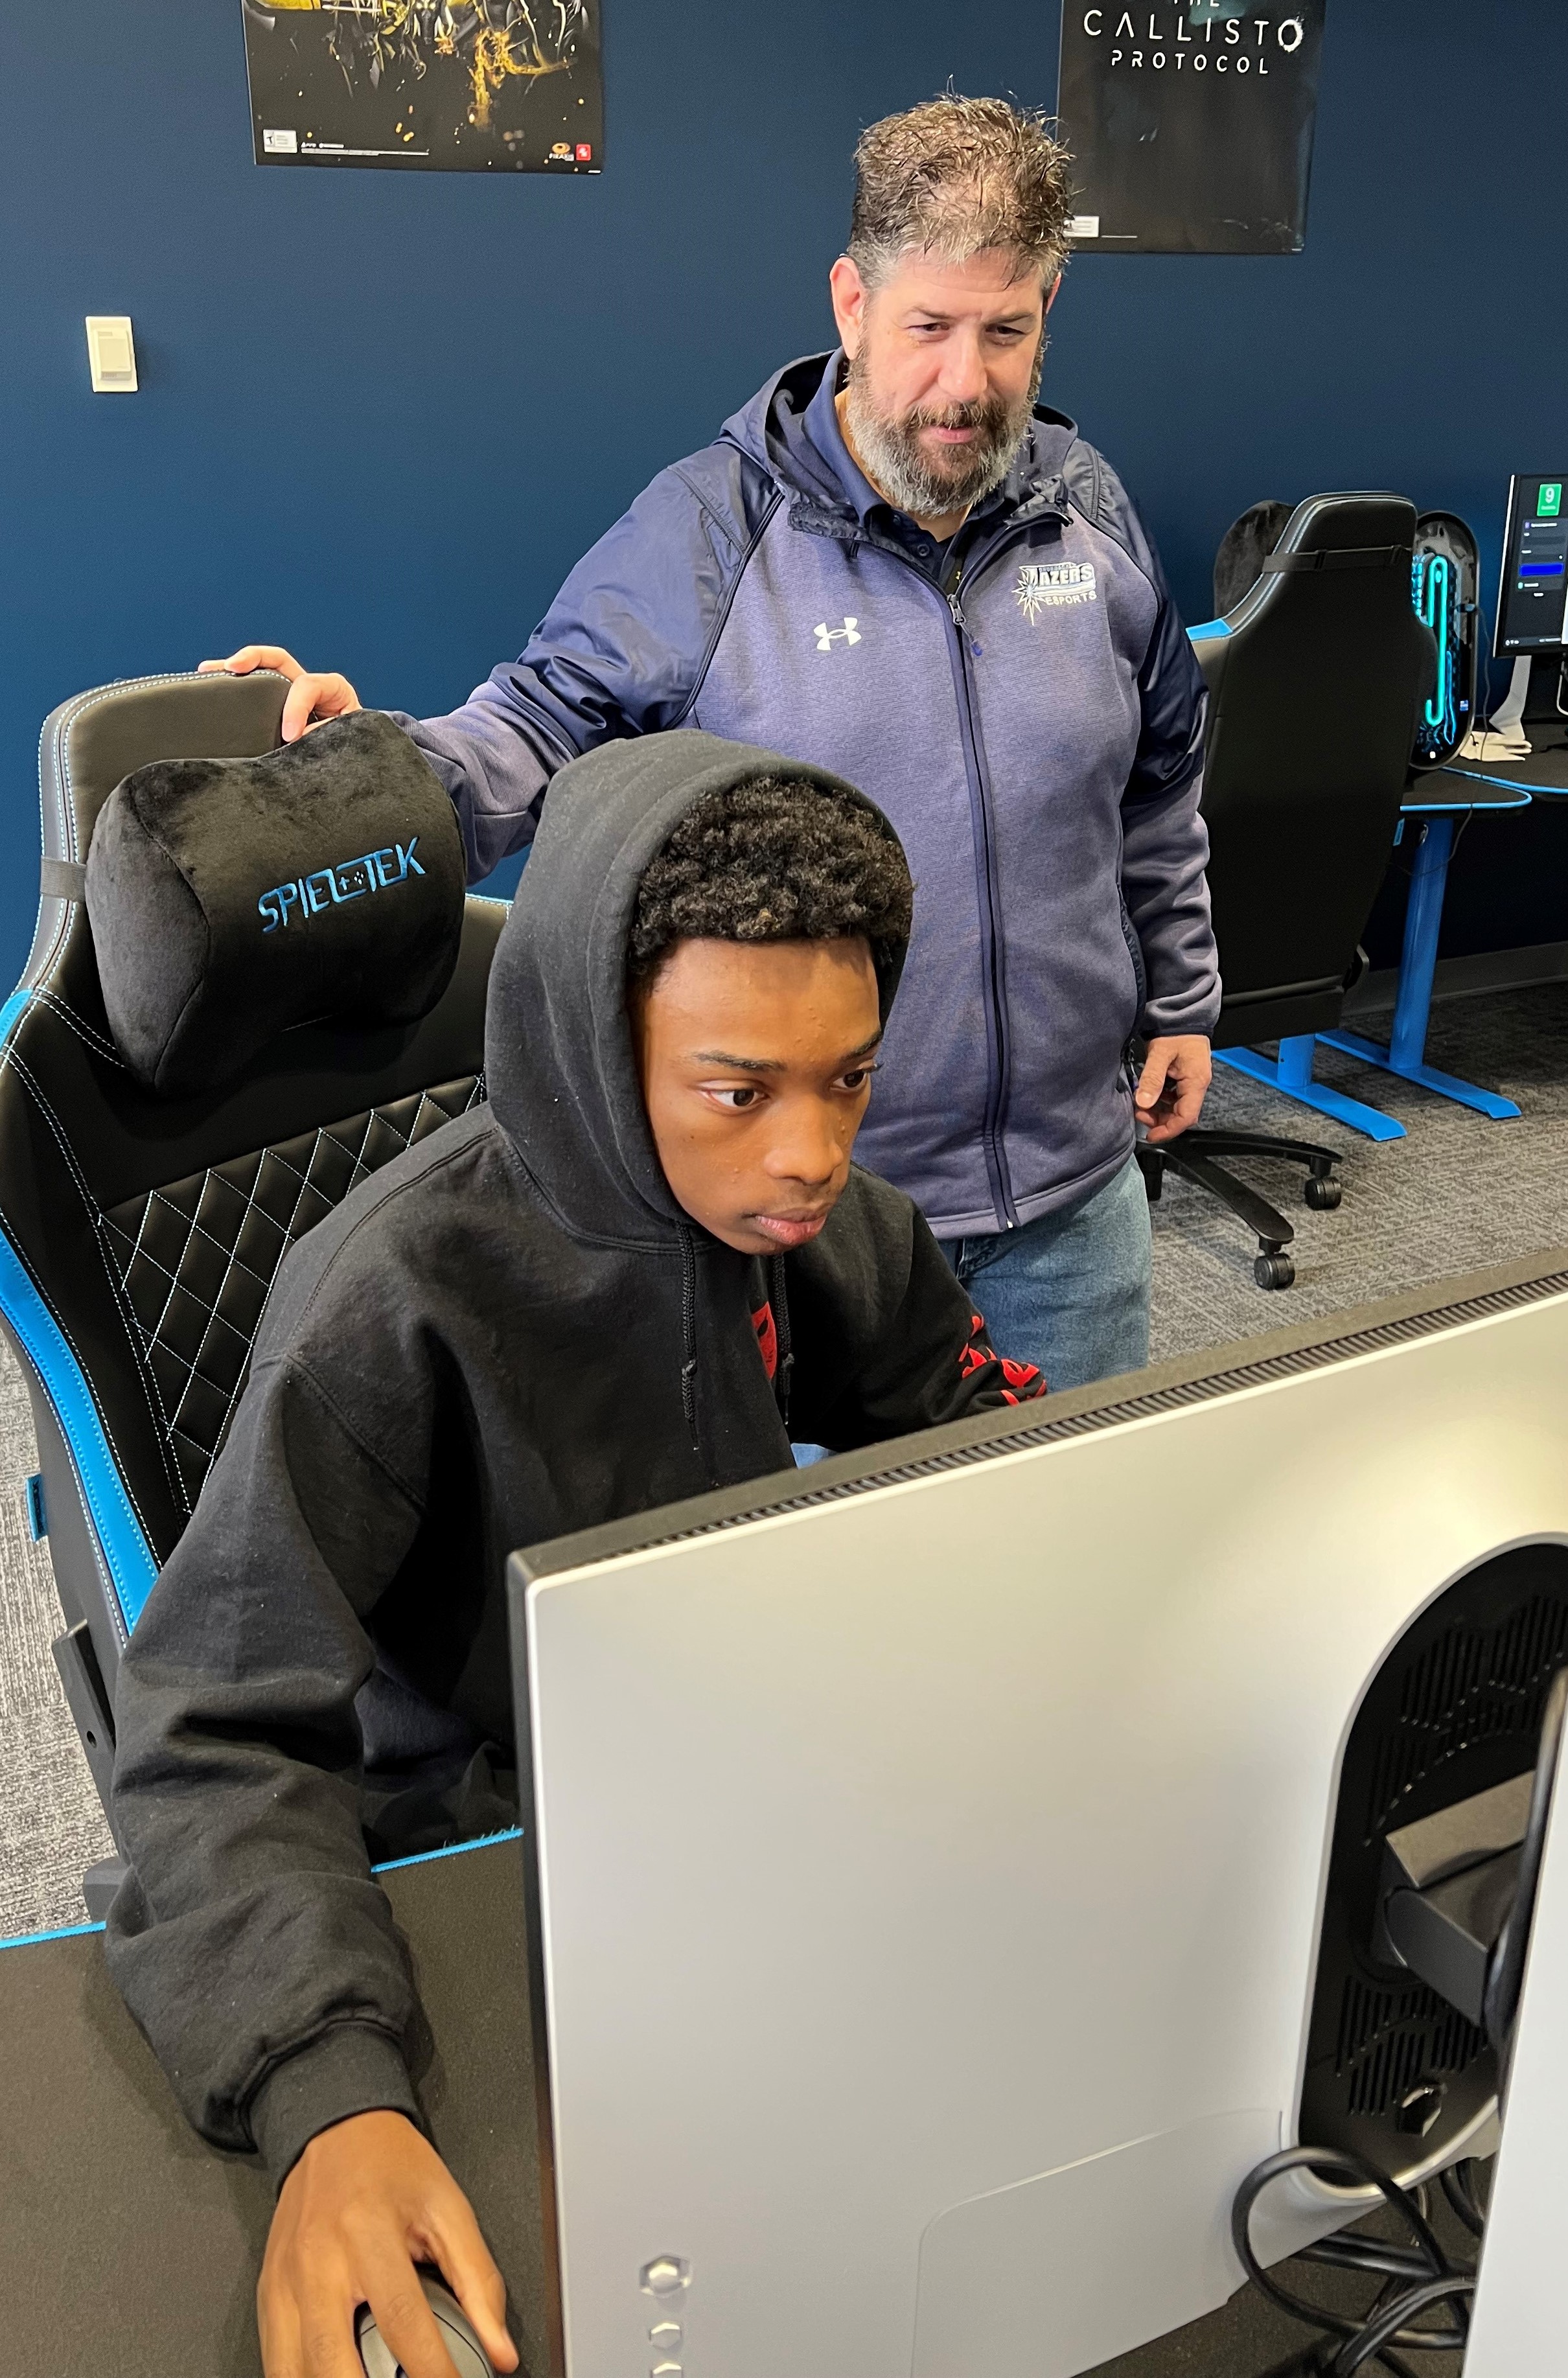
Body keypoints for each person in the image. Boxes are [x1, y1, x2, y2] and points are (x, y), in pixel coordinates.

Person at [104, 732, 1044, 2378]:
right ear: (605, 1054)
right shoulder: (383, 1306)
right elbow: (208, 1730)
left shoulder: (808, 1217)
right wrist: (328, 2100)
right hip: (460, 1840)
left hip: (718, 1798)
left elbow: (940, 1415)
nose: (811, 1152)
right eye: (737, 1089)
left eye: (850, 1078)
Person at [201, 93, 1218, 1392]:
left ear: (1046, 313)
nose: (966, 382)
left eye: (1006, 332)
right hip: (797, 1230)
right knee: (811, 1590)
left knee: (1071, 1562)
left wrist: (1180, 998)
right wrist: (367, 778)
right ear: (850, 304)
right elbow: (528, 731)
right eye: (927, 329)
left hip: (1073, 1205)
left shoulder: (1088, 515)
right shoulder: (707, 529)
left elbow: (1157, 782)